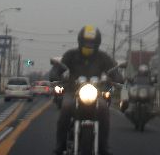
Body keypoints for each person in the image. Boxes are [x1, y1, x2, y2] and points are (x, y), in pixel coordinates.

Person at [50, 25, 122, 155]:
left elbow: (114, 70)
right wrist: (55, 74)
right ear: (80, 41)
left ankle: (103, 147)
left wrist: (118, 77)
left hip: (96, 92)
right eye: (86, 42)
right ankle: (60, 146)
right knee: (65, 108)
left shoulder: (103, 57)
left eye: (92, 43)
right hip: (73, 91)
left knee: (104, 110)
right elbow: (59, 68)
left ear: (97, 44)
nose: (88, 45)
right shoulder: (71, 55)